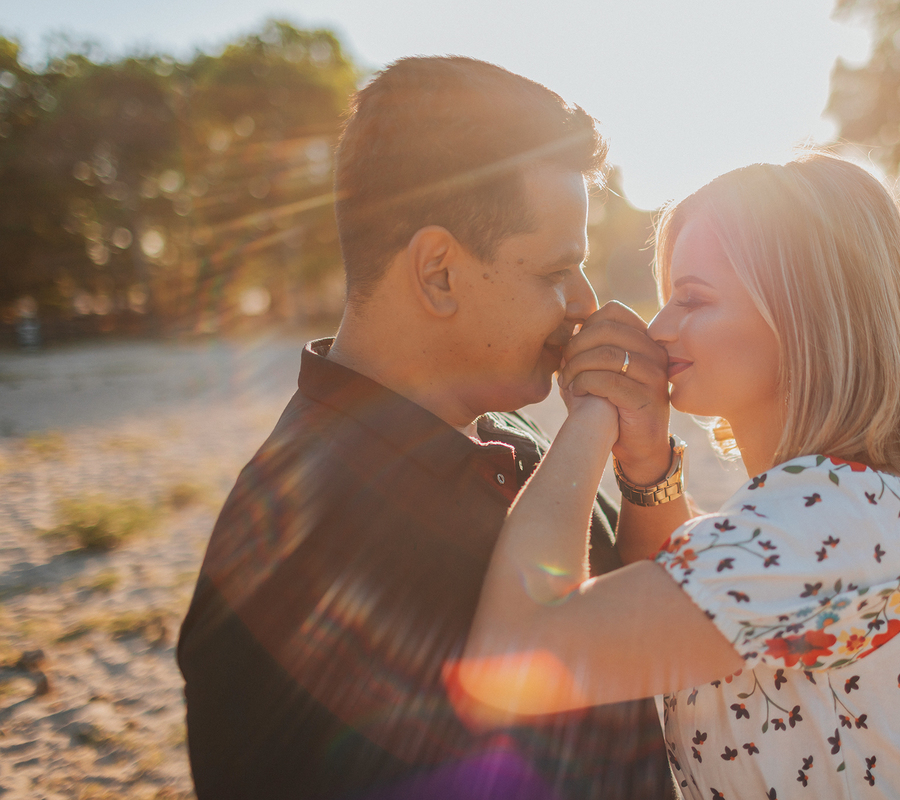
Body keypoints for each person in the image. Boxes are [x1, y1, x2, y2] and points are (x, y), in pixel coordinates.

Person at [176, 56, 679, 800]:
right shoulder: (293, 554)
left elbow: (646, 624)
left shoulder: (513, 435)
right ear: (438, 271)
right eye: (553, 272)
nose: (585, 302)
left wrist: (646, 474)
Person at [460, 152, 900, 799]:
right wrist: (647, 464)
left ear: (804, 315)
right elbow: (682, 587)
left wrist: (588, 420)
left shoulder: (837, 518)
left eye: (692, 299)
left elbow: (514, 658)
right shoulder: (855, 505)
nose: (660, 331)